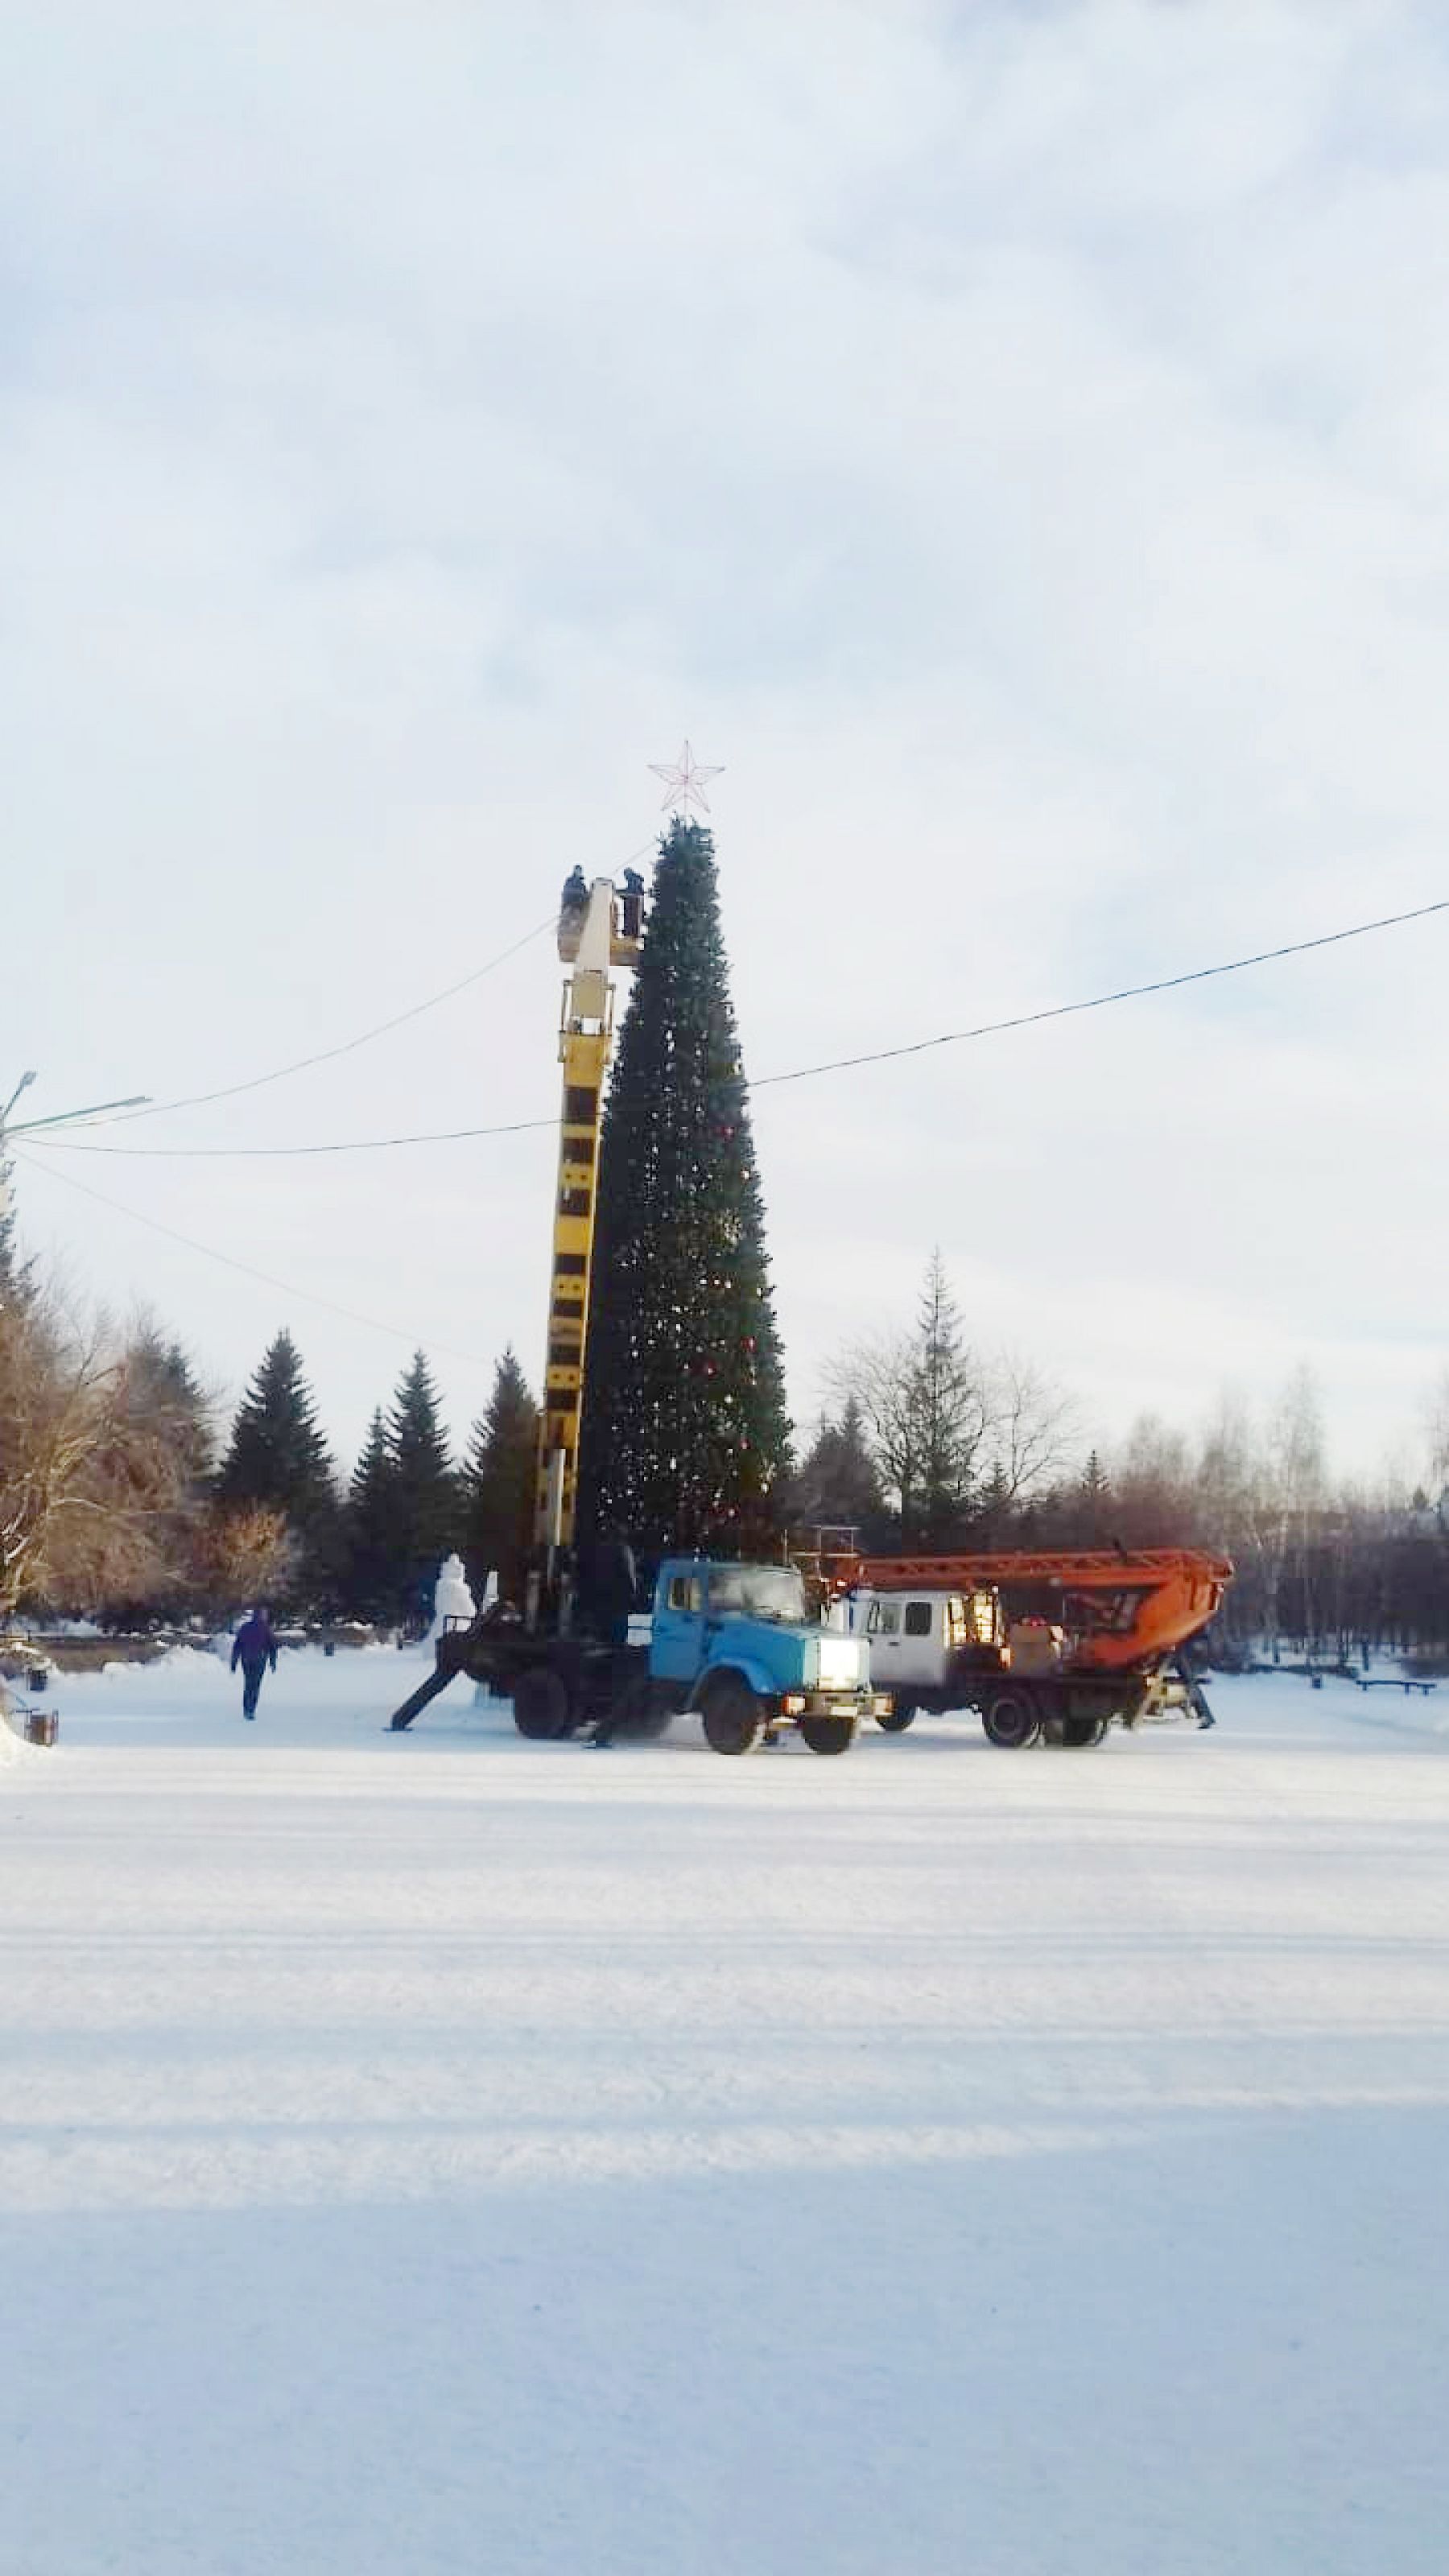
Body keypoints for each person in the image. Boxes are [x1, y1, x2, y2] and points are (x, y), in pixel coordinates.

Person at [231, 1606, 279, 1721]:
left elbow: (237, 1646)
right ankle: (251, 1710)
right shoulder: (266, 1629)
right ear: (262, 1615)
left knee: (248, 1683)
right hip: (260, 1659)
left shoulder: (245, 1627)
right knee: (256, 1685)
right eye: (265, 1614)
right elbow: (272, 1646)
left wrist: (234, 1663)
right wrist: (273, 1662)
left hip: (246, 1659)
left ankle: (246, 1708)